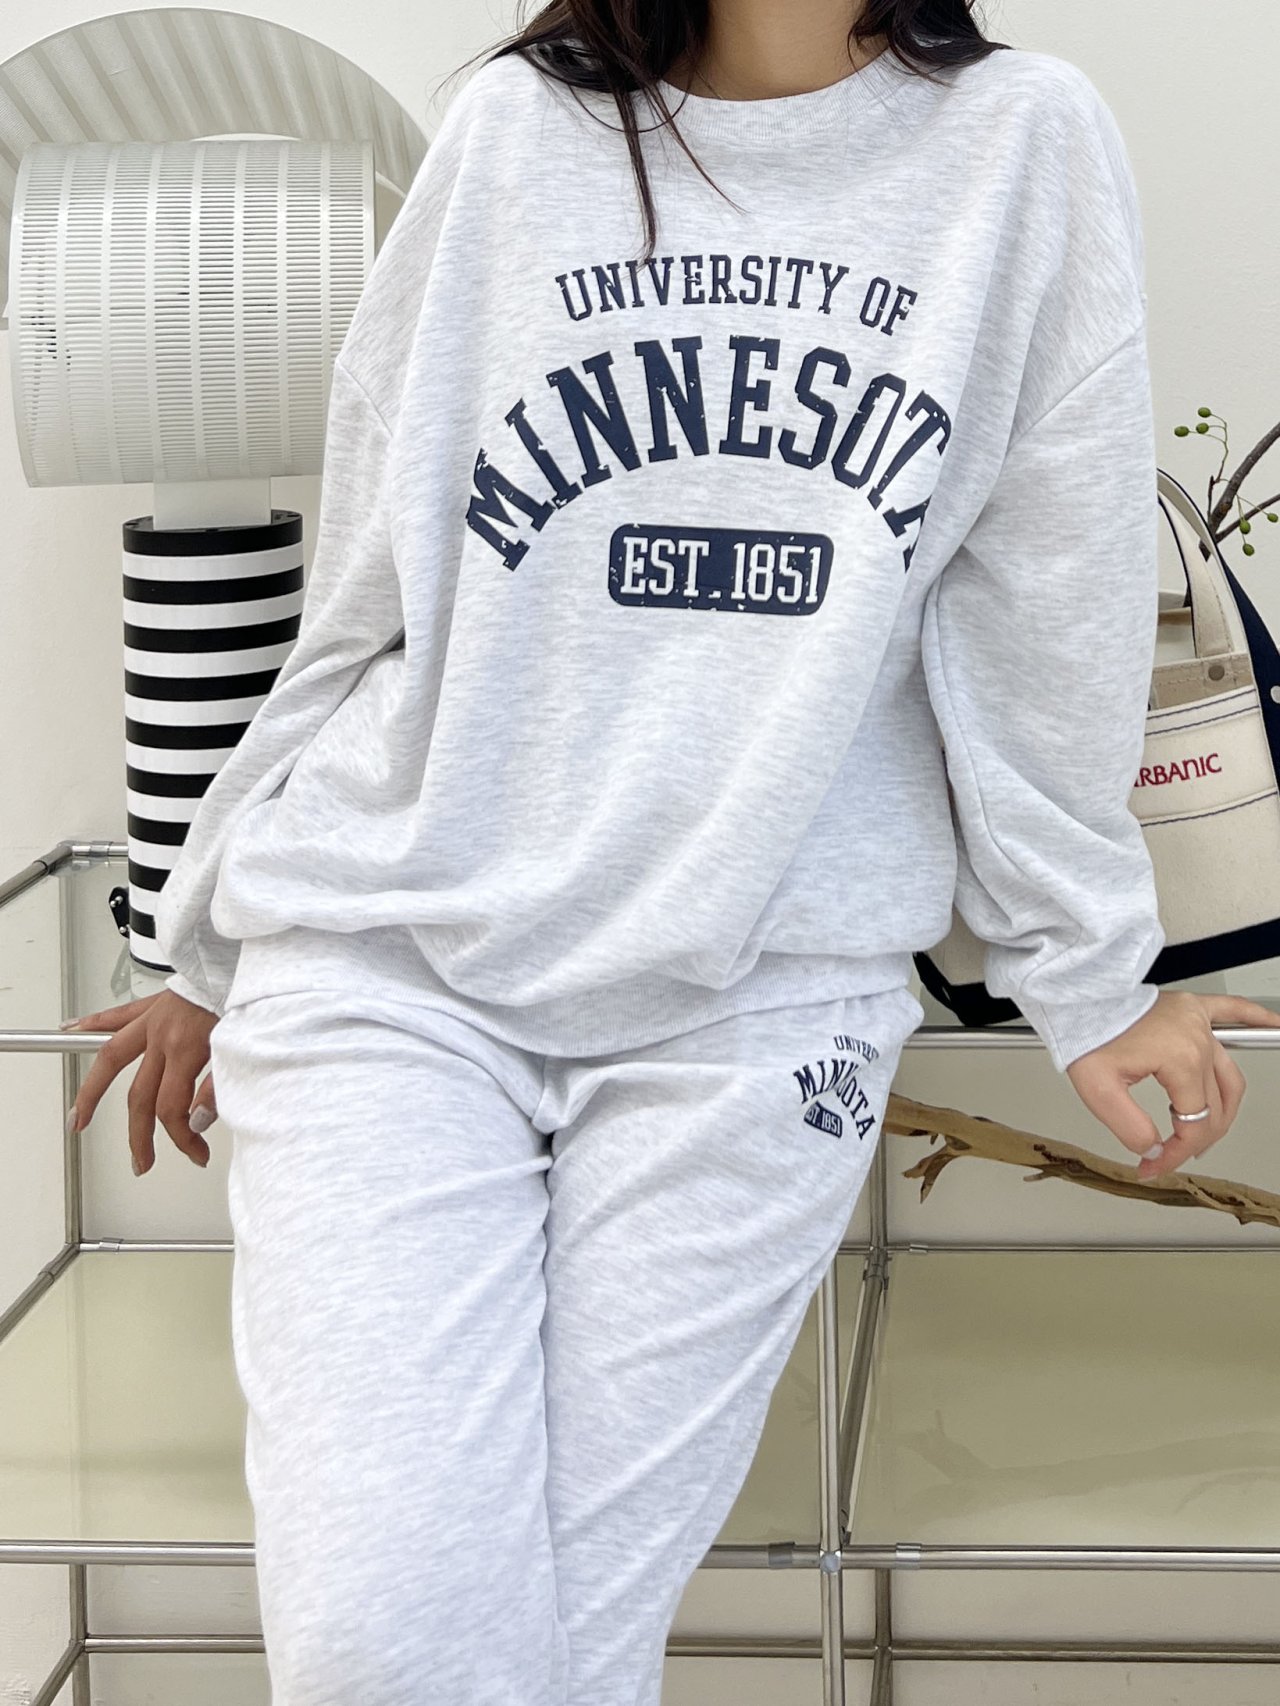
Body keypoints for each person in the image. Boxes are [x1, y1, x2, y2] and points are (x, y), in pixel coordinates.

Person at [61, 1, 1280, 1700]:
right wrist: (204, 940)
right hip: (390, 963)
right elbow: (373, 564)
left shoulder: (1024, 144)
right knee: (381, 1642)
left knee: (568, 1640)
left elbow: (1045, 594)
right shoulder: (515, 132)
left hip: (765, 986)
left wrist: (1089, 974)